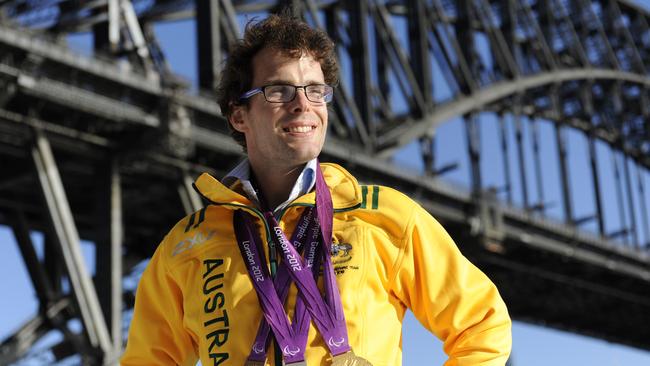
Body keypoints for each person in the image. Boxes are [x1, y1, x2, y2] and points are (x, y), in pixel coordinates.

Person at [121, 13, 511, 366]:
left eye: (315, 90)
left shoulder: (385, 217)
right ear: (239, 115)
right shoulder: (186, 246)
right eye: (278, 91)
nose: (302, 104)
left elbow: (482, 327)